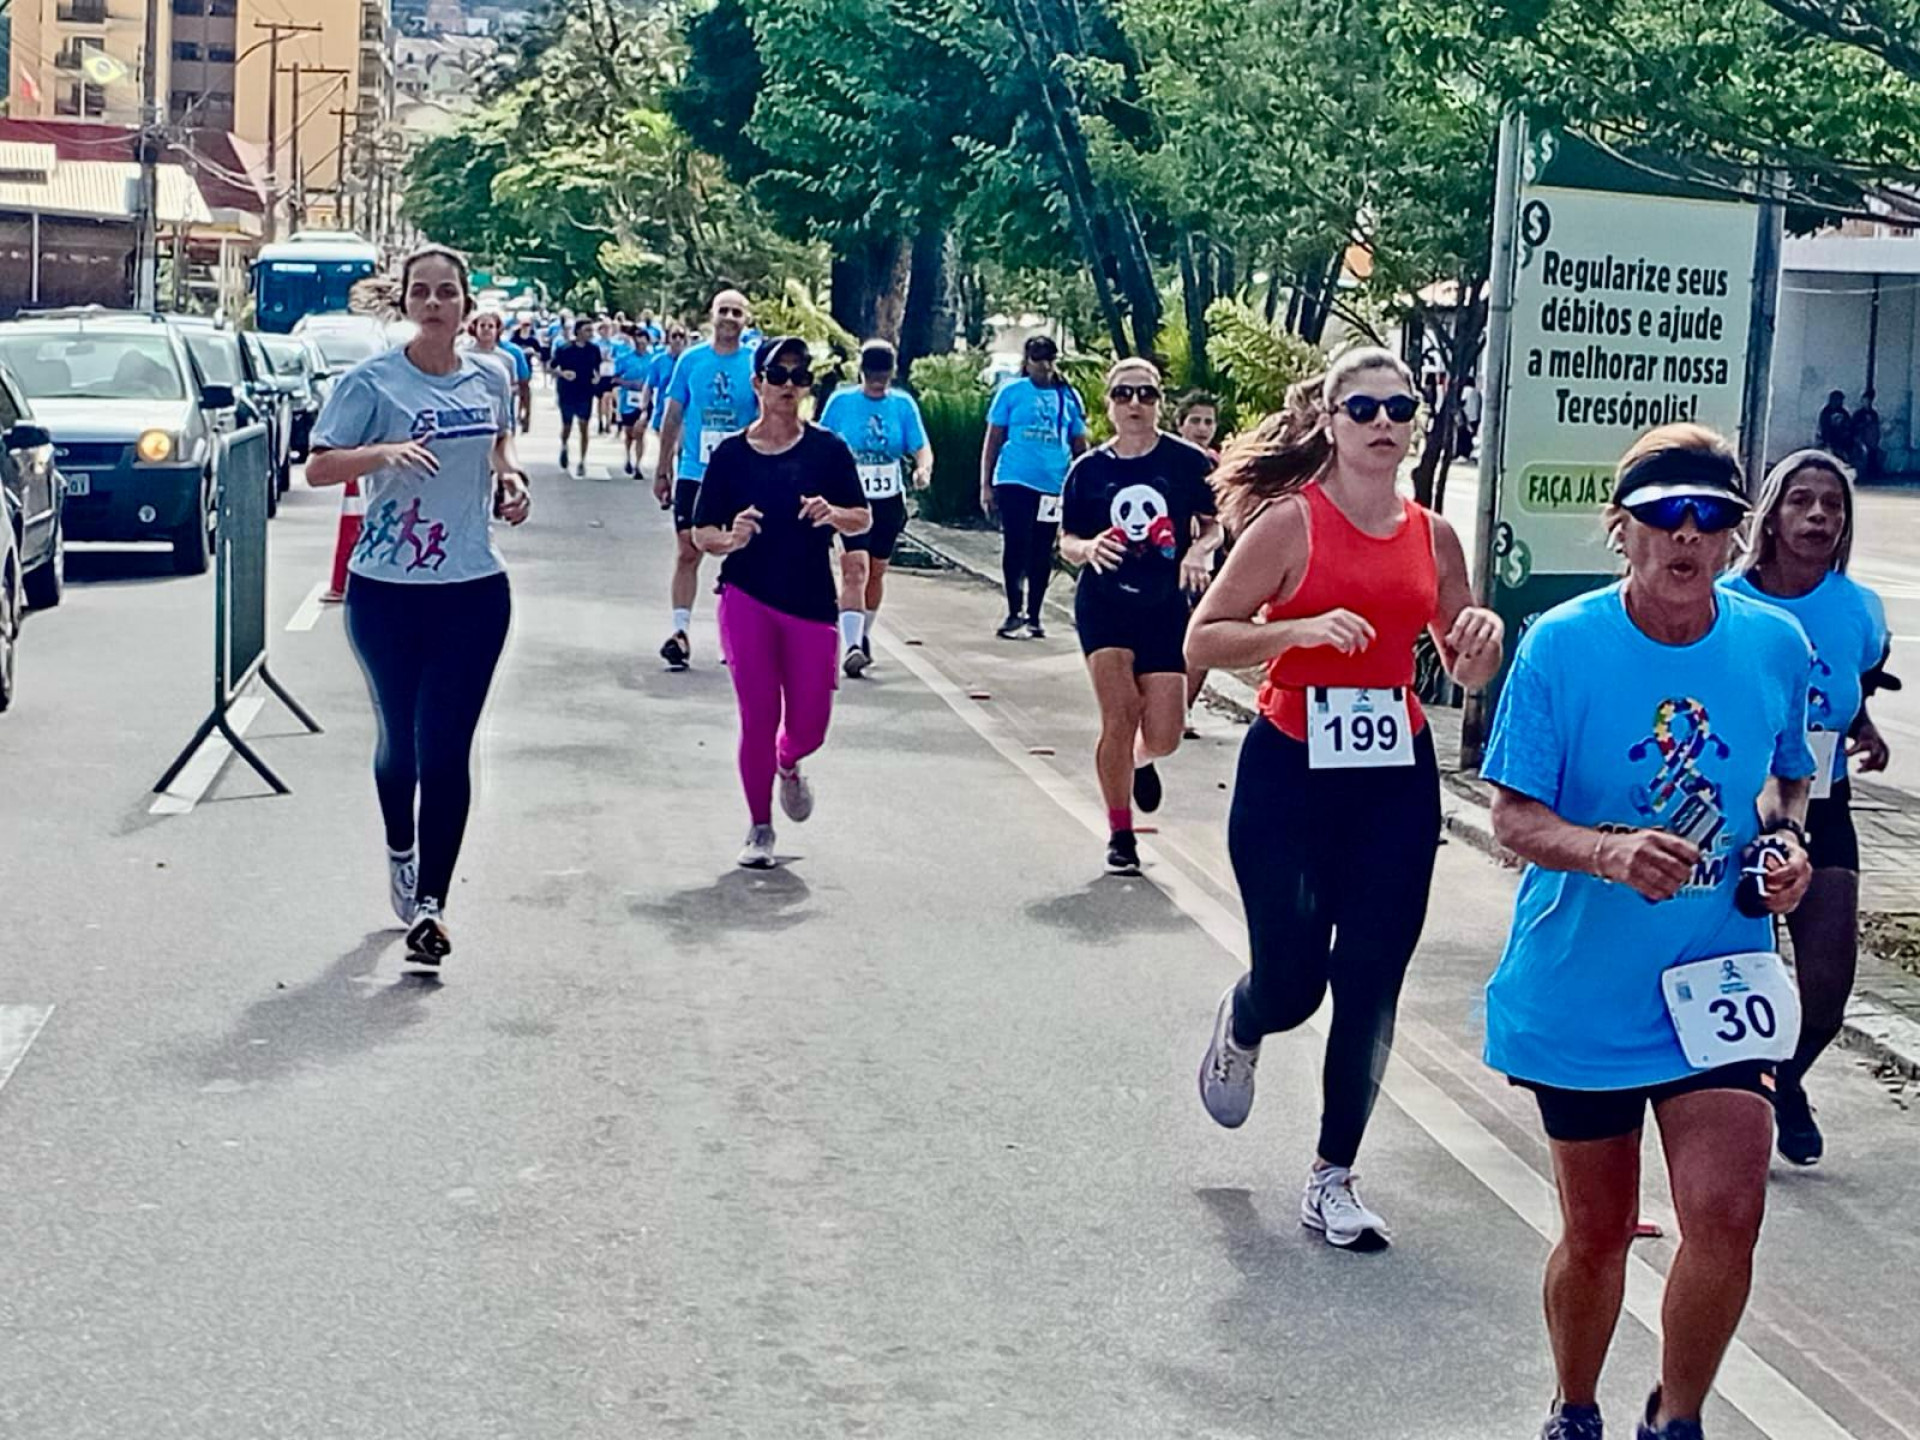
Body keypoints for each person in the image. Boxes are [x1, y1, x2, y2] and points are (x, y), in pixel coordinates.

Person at [1478, 424, 1816, 1440]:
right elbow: (1511, 819)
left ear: (1732, 538)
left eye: (1711, 517)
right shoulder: (1564, 645)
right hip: (1585, 984)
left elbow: (1789, 777)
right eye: (1665, 514)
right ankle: (1574, 1408)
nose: (1688, 534)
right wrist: (1608, 853)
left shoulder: (1772, 642)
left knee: (1727, 1212)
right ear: (1620, 529)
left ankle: (1677, 1418)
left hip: (1718, 975)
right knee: (1596, 1235)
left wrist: (1787, 845)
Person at [1186, 346, 1505, 1251]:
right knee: (1295, 982)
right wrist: (1300, 627)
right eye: (1361, 408)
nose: (1381, 424)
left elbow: (1461, 659)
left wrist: (1479, 642)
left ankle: (1333, 1175)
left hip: (1393, 775)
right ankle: (1245, 1019)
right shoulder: (1291, 525)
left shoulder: (1433, 534)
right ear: (1329, 419)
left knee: (1370, 977)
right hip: (1290, 769)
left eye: (1397, 408)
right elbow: (1203, 637)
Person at [304, 244, 532, 965]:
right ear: (405, 303)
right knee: (399, 746)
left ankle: (431, 905)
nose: (435, 304)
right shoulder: (371, 383)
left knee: (448, 749)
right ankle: (400, 848)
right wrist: (384, 453)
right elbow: (317, 465)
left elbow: (498, 449)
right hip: (386, 592)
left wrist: (511, 482)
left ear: (468, 305)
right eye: (422, 293)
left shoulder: (490, 377)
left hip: (472, 587)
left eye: (448, 293)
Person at [1725, 448, 1891, 1167]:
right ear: (1771, 514)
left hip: (1823, 803)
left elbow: (1844, 690)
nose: (1818, 515)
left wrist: (1865, 730)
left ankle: (1781, 1081)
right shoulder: (1730, 600)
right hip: (1733, 806)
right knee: (1740, 970)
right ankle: (1727, 1098)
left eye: (1832, 504)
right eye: (1801, 501)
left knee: (1828, 979)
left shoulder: (1858, 607)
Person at [692, 337, 871, 868]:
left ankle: (788, 763)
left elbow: (863, 517)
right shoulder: (730, 455)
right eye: (778, 374)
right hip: (747, 595)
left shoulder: (828, 450)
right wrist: (731, 538)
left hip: (812, 602)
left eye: (799, 376)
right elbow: (700, 531)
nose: (789, 385)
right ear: (758, 384)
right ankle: (760, 827)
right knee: (758, 714)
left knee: (810, 723)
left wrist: (832, 513)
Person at [1057, 358, 1220, 875]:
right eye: (1124, 394)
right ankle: (1120, 832)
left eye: (1145, 395)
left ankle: (1141, 761)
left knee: (1167, 732)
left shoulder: (1187, 463)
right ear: (1108, 404)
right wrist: (1086, 551)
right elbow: (1067, 539)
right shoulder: (1088, 470)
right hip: (1104, 603)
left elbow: (1215, 525)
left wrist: (1200, 551)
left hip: (1164, 605)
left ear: (1159, 403)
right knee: (1120, 711)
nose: (1134, 405)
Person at [818, 338, 933, 676]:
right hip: (849, 498)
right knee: (854, 567)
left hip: (888, 500)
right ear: (861, 372)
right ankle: (851, 645)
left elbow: (920, 446)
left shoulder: (903, 405)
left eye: (883, 375)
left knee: (876, 570)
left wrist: (923, 468)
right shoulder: (841, 402)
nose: (877, 382)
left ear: (892, 373)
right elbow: (821, 444)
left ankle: (863, 634)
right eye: (871, 375)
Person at [655, 290, 757, 670]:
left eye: (737, 312)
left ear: (746, 319)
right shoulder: (691, 360)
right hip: (695, 472)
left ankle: (734, 634)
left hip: (742, 474)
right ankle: (679, 632)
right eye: (723, 311)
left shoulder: (754, 363)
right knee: (687, 549)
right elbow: (673, 414)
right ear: (711, 316)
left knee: (741, 553)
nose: (730, 317)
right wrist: (663, 468)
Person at [979, 335, 1089, 639]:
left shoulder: (1067, 396)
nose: (1044, 366)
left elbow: (1079, 442)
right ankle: (1014, 609)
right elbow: (994, 439)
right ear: (1027, 361)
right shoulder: (1012, 392)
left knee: (1042, 547)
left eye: (1050, 359)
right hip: (1015, 478)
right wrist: (985, 485)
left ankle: (1035, 613)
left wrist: (1082, 484)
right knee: (1016, 541)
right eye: (1038, 359)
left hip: (1052, 484)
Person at [638, 322, 690, 485]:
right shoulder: (659, 361)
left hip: (686, 413)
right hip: (664, 412)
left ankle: (680, 484)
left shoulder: (689, 360)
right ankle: (668, 480)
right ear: (668, 339)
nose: (677, 340)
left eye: (681, 336)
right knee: (667, 449)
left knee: (681, 450)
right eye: (674, 336)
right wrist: (644, 408)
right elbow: (649, 386)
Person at [551, 319, 602, 477]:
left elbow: (598, 369)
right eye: (587, 330)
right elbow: (551, 367)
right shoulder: (565, 348)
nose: (590, 334)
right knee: (567, 425)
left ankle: (582, 460)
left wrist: (597, 378)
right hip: (567, 391)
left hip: (585, 391)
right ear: (578, 331)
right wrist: (562, 374)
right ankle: (564, 445)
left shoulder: (594, 349)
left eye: (591, 330)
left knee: (584, 426)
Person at [612, 326, 652, 477]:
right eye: (638, 341)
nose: (640, 344)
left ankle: (638, 465)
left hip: (645, 400)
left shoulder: (653, 360)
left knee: (640, 432)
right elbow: (614, 378)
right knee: (629, 433)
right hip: (628, 401)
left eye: (643, 341)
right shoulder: (625, 359)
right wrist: (629, 384)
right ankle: (628, 456)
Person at [1175, 390, 1220, 459]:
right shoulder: (1166, 459)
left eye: (1208, 422)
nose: (1202, 428)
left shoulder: (1218, 461)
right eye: (1195, 421)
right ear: (1180, 425)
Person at [1852, 391, 1882, 480]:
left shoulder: (1873, 414)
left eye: (1869, 401)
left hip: (1871, 440)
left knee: (1873, 455)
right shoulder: (1858, 414)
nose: (1867, 403)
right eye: (1865, 401)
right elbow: (1854, 427)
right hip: (1860, 439)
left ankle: (1872, 474)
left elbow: (1876, 427)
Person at [1817, 389, 1852, 456]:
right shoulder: (1826, 412)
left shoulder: (1843, 412)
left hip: (1842, 443)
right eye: (1839, 400)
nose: (1841, 402)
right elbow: (1824, 427)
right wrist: (1827, 442)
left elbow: (1848, 425)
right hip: (1829, 442)